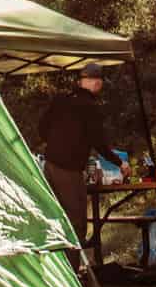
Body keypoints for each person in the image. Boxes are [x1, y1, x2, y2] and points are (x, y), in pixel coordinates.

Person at [39, 61, 117, 260]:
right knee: (76, 221)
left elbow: (42, 127)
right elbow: (98, 142)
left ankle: (51, 270)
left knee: (51, 217)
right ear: (96, 82)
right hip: (68, 170)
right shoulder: (89, 107)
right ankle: (72, 274)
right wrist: (119, 163)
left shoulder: (61, 100)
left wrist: (55, 144)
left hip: (48, 165)